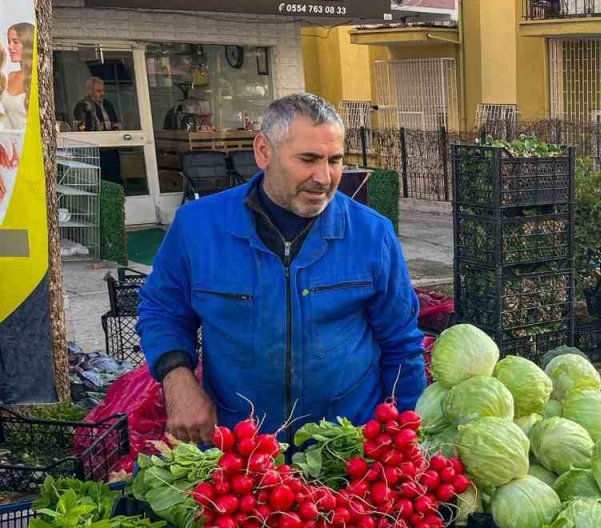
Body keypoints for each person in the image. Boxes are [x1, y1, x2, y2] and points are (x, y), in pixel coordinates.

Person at [137, 93, 425, 445]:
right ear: (263, 152)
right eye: (308, 159)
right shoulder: (197, 227)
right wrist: (178, 379)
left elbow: (401, 342)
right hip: (238, 448)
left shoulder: (372, 234)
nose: (324, 177)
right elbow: (163, 310)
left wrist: (408, 438)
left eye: (335, 160)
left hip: (346, 447)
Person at [0, 22, 31, 131]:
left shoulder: (36, 80)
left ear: (28, 44)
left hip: (29, 139)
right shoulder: (10, 76)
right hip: (8, 139)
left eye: (15, 42)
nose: (9, 46)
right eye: (9, 42)